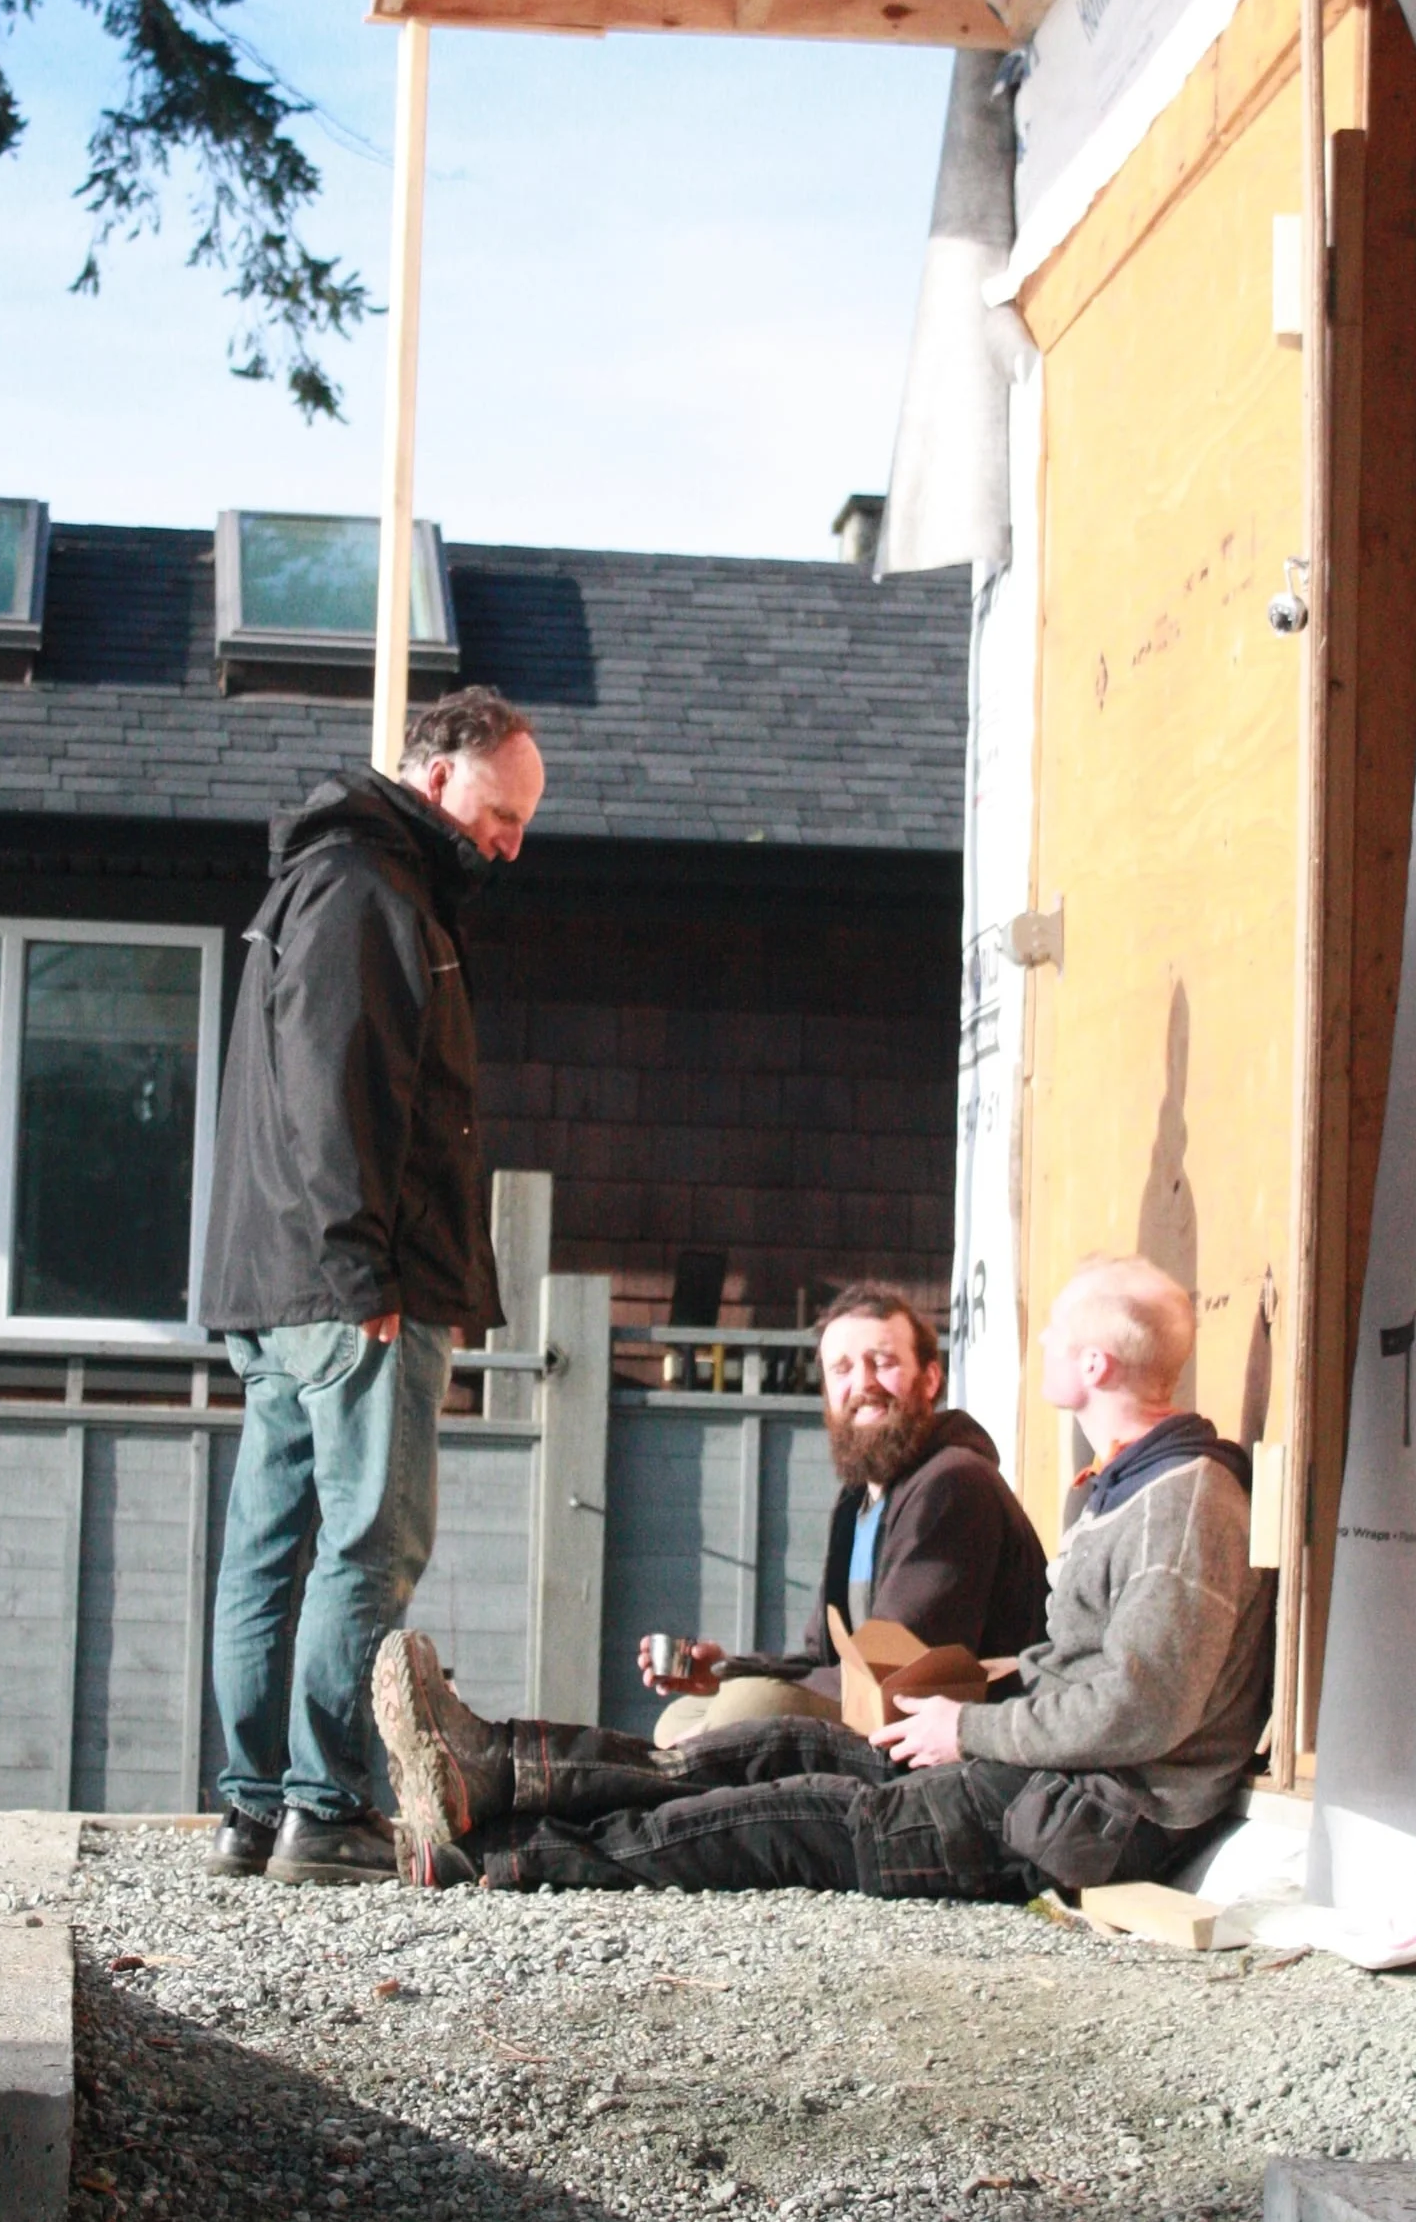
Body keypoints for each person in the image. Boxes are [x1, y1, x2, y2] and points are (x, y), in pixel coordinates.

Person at [372, 1253, 1268, 1901]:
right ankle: (496, 1767)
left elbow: (1140, 1709)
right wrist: (732, 1667)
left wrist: (973, 1727)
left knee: (808, 1816)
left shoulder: (1180, 1503)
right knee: (768, 1750)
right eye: (842, 1366)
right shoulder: (1121, 1488)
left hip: (1086, 1812)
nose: (1041, 1342)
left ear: (1094, 1365)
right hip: (1038, 1772)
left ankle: (499, 1853)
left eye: (1056, 1335)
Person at [200, 687, 545, 1884]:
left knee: (270, 1548)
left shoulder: (329, 878)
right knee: (369, 1546)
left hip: (275, 1282)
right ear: (438, 775)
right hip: (352, 1288)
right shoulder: (368, 888)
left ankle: (254, 1811)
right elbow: (334, 1089)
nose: (510, 845)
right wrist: (361, 1267)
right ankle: (323, 1806)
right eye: (503, 814)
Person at [644, 1285, 1046, 1738]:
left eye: (883, 1362)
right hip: (871, 1703)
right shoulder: (858, 1501)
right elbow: (823, 1659)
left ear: (930, 1380)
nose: (863, 1383)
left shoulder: (954, 1483)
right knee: (682, 1716)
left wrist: (746, 1694)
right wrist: (725, 1670)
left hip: (953, 1732)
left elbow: (897, 1664)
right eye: (842, 1369)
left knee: (749, 1706)